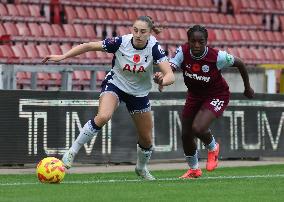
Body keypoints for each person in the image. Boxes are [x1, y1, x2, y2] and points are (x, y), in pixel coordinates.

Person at [42, 16, 175, 180]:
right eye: (135, 30)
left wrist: (162, 80)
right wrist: (63, 56)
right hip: (116, 84)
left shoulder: (154, 48)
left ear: (149, 33)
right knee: (103, 116)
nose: (138, 34)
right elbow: (90, 46)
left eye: (142, 32)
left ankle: (141, 168)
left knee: (146, 139)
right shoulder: (121, 42)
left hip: (139, 93)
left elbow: (170, 75)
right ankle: (71, 152)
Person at [164, 25, 254, 178]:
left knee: (198, 128)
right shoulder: (183, 52)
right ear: (188, 41)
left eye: (201, 41)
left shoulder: (218, 56)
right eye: (193, 41)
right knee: (186, 134)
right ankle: (194, 169)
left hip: (217, 95)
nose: (197, 45)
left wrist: (247, 87)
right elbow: (171, 66)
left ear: (206, 42)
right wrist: (163, 77)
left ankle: (213, 147)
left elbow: (240, 63)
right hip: (194, 95)